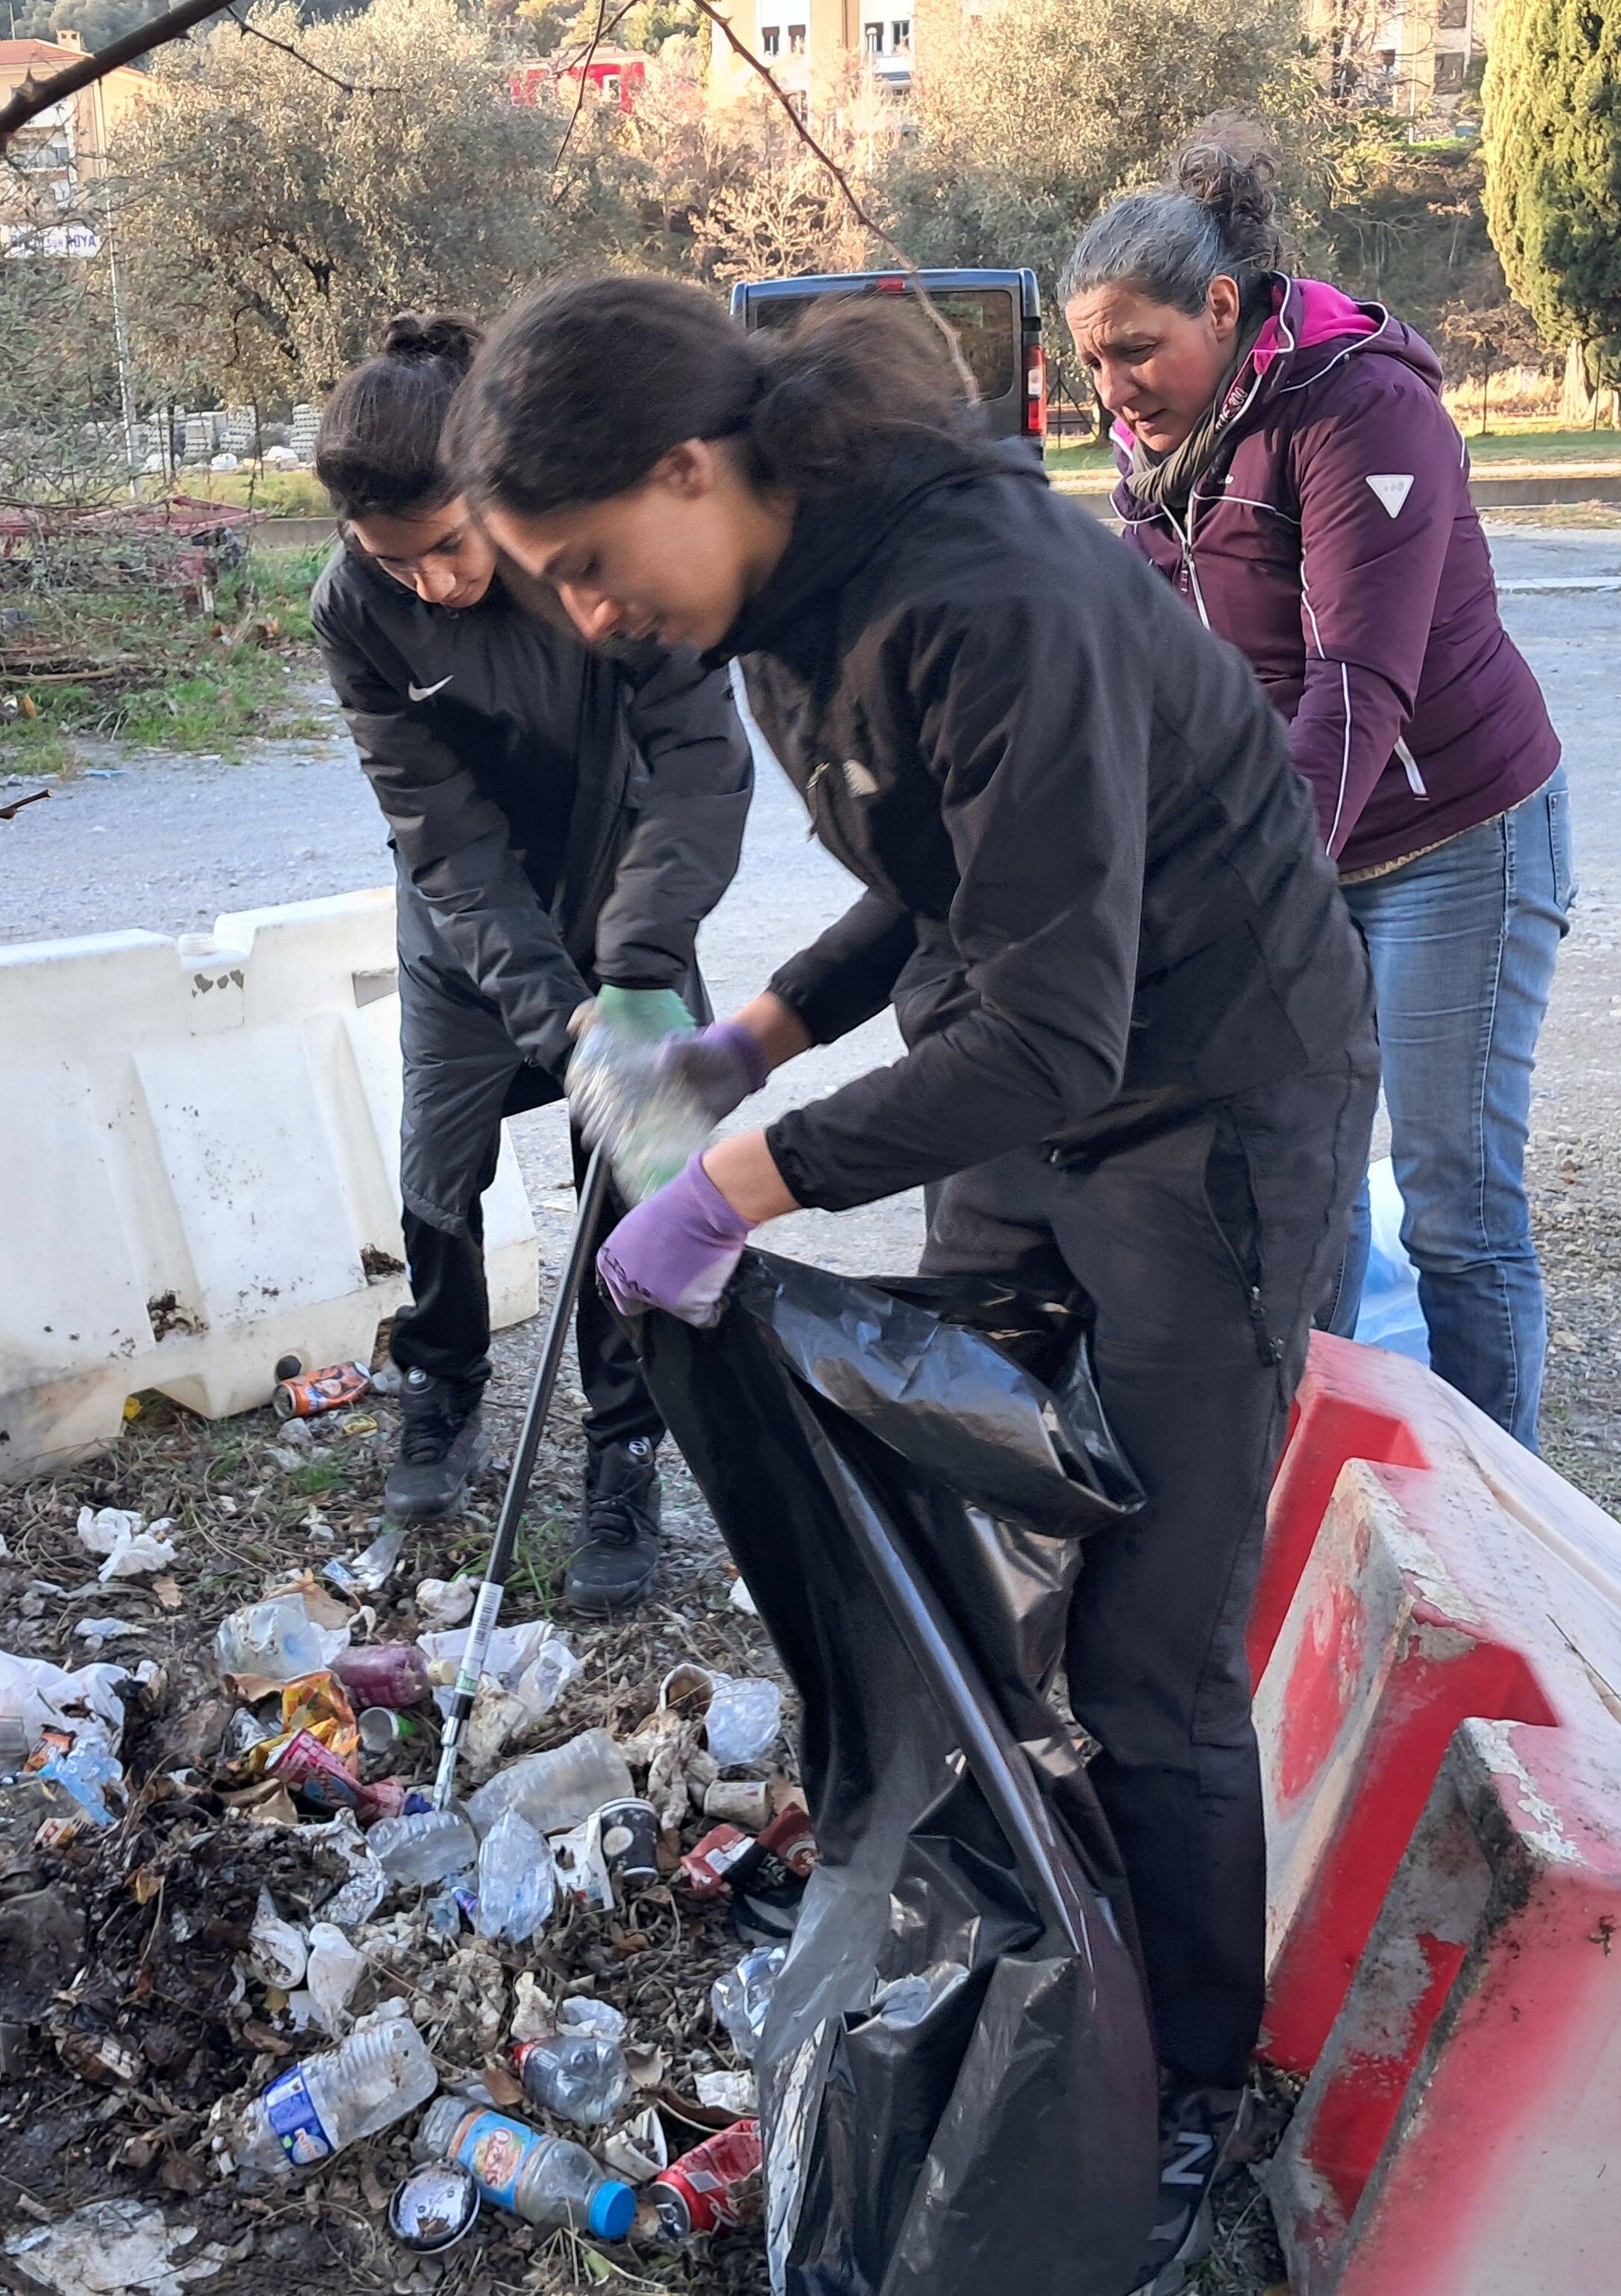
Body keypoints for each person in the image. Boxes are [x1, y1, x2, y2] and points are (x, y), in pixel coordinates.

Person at [445, 275, 1376, 2293]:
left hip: (1209, 1100)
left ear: (695, 468)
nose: (589, 617)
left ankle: (1193, 2098)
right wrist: (757, 1035)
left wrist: (740, 1179)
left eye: (593, 565)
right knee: (975, 1542)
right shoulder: (789, 592)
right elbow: (946, 867)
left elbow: (1051, 1023)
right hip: (1038, 1067)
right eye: (554, 585)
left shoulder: (991, 592)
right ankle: (1004, 1925)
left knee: (1147, 1649)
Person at [1063, 137, 1573, 1449]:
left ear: (1221, 308)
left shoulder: (1363, 409)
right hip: (1302, 842)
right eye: (1094, 360)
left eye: (1137, 351)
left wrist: (1252, 893)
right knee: (1307, 1182)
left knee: (1456, 1203)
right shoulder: (1169, 439)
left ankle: (1497, 1532)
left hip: (1454, 833)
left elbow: (1358, 681)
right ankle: (1326, 1484)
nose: (1113, 390)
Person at [308, 312, 752, 1612]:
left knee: (639, 1191)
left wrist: (637, 968)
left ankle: (624, 1453)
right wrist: (554, 1018)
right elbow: (444, 835)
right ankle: (439, 1395)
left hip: (635, 919)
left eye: (452, 546)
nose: (436, 584)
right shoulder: (357, 609)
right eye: (400, 565)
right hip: (471, 939)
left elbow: (704, 760)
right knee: (438, 1177)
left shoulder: (588, 550)